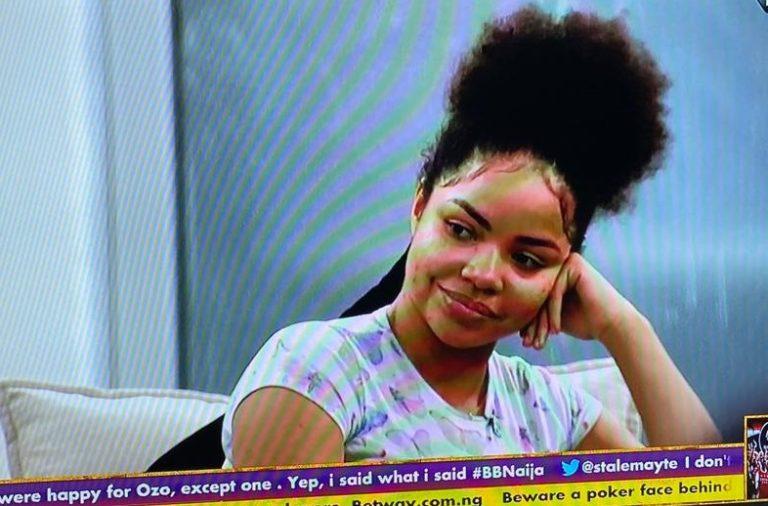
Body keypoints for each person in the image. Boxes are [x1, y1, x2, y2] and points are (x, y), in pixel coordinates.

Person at [223, 6, 720, 467]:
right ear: (420, 207)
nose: (483, 273)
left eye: (527, 259)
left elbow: (720, 487)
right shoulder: (318, 370)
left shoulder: (547, 411)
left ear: (563, 274)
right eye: (461, 230)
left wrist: (624, 327)